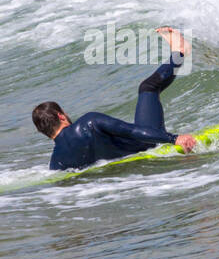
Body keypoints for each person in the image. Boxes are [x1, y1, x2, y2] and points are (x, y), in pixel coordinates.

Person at [33, 27, 197, 171]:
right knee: (148, 87)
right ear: (61, 116)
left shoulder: (57, 163)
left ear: (43, 131)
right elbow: (132, 131)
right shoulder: (89, 122)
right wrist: (174, 138)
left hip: (136, 170)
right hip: (148, 145)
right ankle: (180, 52)